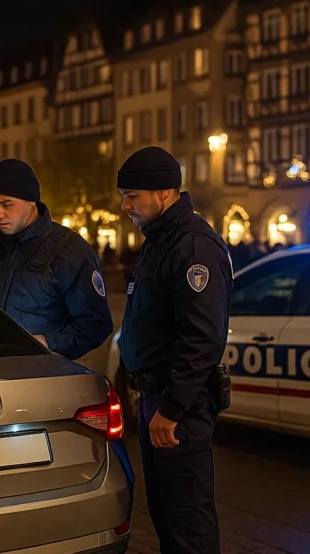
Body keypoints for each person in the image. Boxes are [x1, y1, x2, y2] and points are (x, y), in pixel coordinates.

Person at [115, 146, 232, 554]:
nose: (125, 206)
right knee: (167, 514)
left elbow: (201, 338)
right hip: (157, 398)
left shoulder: (192, 245)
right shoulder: (161, 238)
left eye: (133, 196)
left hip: (178, 406)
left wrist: (172, 408)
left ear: (165, 192)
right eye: (124, 196)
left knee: (188, 523)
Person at [0, 158, 113, 360]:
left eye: (7, 205)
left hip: (39, 375)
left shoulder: (69, 250)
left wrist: (48, 343)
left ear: (31, 200)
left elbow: (95, 324)